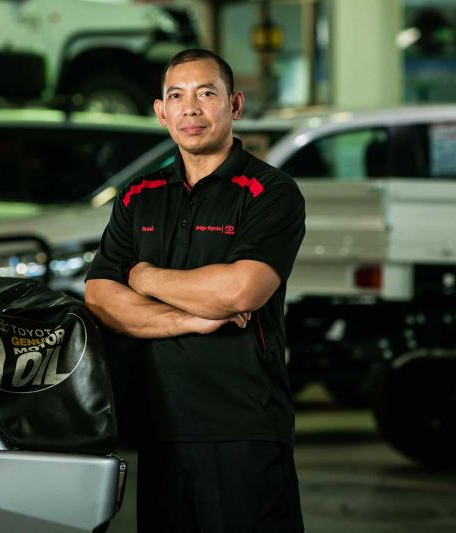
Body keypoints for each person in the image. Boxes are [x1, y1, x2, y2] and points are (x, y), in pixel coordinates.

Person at [84, 48, 305, 532]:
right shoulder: (138, 196)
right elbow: (101, 298)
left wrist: (142, 278)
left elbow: (242, 290)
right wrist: (191, 317)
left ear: (235, 105)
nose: (191, 108)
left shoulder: (270, 192)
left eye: (207, 94)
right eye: (177, 96)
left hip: (244, 428)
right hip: (161, 430)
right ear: (161, 112)